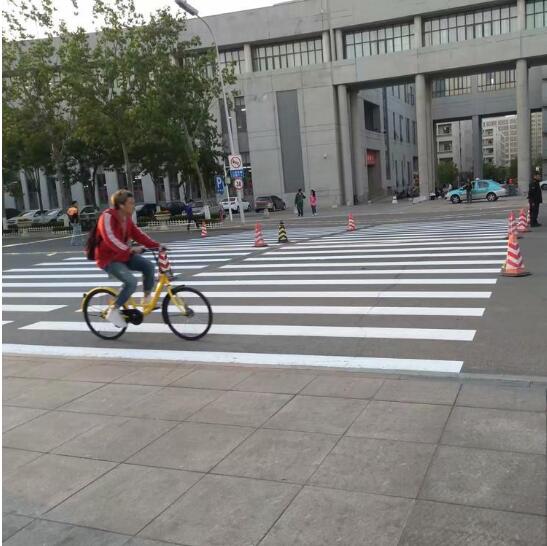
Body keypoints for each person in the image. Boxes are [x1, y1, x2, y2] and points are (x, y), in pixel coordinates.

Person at [95, 190, 161, 328]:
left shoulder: (127, 219)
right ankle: (113, 311)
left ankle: (146, 298)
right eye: (131, 203)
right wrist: (130, 249)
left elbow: (139, 235)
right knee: (131, 282)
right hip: (108, 259)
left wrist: (157, 246)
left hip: (123, 255)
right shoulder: (107, 217)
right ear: (121, 205)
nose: (133, 206)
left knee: (148, 266)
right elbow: (110, 239)